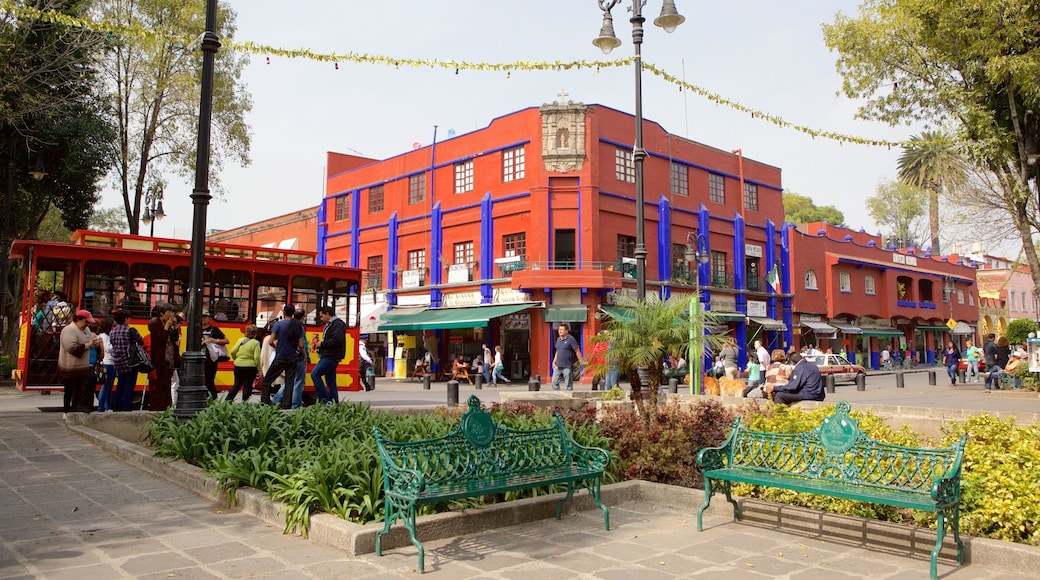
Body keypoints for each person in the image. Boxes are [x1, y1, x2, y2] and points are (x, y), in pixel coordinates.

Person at [58, 309, 100, 417]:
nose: (87, 325)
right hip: (70, 367)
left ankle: (81, 408)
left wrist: (95, 343)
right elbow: (71, 348)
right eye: (86, 322)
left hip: (83, 367)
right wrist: (87, 345)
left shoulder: (86, 330)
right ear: (79, 320)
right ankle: (68, 411)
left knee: (84, 387)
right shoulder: (69, 330)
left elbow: (91, 339)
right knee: (70, 390)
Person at [261, 304, 304, 405]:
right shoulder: (297, 326)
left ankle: (265, 402)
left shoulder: (279, 325)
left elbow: (271, 341)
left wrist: (277, 346)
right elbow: (301, 344)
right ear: (293, 313)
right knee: (289, 382)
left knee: (267, 381)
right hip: (293, 357)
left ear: (284, 313)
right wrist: (304, 356)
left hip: (281, 357)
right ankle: (286, 404)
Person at [274, 309, 309, 409]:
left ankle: (276, 399)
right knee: (298, 382)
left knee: (290, 381)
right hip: (298, 358)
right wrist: (305, 356)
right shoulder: (299, 327)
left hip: (289, 356)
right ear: (302, 318)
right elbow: (302, 345)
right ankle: (295, 405)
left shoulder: (287, 325)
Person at [108, 309, 140, 412]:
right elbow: (141, 341)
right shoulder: (130, 330)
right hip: (130, 363)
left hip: (118, 363)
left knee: (120, 385)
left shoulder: (112, 332)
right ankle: (126, 408)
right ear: (126, 319)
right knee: (129, 387)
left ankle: (116, 407)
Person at [147, 303, 177, 411]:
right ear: (162, 313)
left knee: (167, 384)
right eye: (169, 312)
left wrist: (174, 327)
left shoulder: (167, 323)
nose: (171, 314)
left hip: (168, 359)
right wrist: (167, 327)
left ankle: (166, 407)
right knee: (159, 385)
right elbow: (161, 339)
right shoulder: (154, 323)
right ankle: (158, 408)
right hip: (159, 359)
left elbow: (174, 339)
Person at [226, 324, 261, 402]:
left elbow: (232, 351)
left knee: (236, 385)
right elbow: (256, 357)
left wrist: (236, 359)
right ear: (255, 333)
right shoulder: (256, 343)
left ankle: (228, 400)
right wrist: (259, 369)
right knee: (247, 386)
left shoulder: (240, 340)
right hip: (250, 367)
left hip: (238, 365)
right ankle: (245, 403)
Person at [201, 310, 229, 400]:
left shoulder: (214, 329)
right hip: (199, 359)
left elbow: (226, 340)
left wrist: (214, 340)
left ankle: (213, 400)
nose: (203, 319)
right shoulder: (196, 329)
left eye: (205, 317)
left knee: (209, 381)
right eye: (201, 317)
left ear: (209, 318)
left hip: (211, 359)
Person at [551, 323, 584, 391]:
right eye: (559, 329)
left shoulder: (571, 339)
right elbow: (558, 351)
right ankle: (559, 395)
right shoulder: (558, 339)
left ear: (566, 331)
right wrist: (554, 361)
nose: (560, 331)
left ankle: (569, 397)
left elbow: (577, 350)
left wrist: (581, 362)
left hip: (567, 366)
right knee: (554, 382)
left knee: (568, 385)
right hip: (558, 365)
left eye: (561, 330)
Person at [259, 322, 284, 400]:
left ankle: (264, 400)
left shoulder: (266, 338)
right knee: (278, 383)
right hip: (275, 363)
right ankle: (277, 400)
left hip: (266, 363)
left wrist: (261, 364)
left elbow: (263, 353)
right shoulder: (279, 338)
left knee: (267, 382)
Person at [96, 317, 116, 412]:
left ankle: (107, 407)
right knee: (105, 387)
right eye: (113, 326)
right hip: (107, 363)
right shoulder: (103, 336)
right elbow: (108, 349)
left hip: (111, 363)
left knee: (109, 387)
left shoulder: (105, 336)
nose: (114, 328)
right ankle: (101, 407)